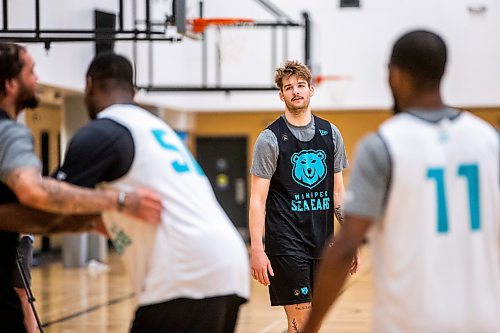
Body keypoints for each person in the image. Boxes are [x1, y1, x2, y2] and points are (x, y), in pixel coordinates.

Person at [303, 30, 500, 333]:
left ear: (396, 75)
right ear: (443, 72)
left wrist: (310, 327)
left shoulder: (383, 144)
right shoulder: (489, 141)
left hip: (410, 322)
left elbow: (344, 248)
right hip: (484, 321)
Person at [47, 52, 249, 333]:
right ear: (134, 89)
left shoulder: (103, 132)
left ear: (89, 84)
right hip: (227, 264)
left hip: (186, 271)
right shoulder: (154, 127)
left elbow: (53, 200)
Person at [0, 42, 163, 333]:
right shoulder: (9, 133)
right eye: (31, 70)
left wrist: (87, 219)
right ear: (11, 84)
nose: (37, 78)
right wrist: (119, 202)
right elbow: (34, 194)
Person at [249, 59, 358, 332]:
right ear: (281, 95)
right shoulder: (270, 139)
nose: (295, 91)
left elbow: (338, 193)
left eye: (300, 85)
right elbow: (257, 200)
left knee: (307, 326)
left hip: (322, 243)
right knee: (303, 322)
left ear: (311, 90)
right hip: (286, 244)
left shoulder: (330, 134)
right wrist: (257, 249)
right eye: (289, 87)